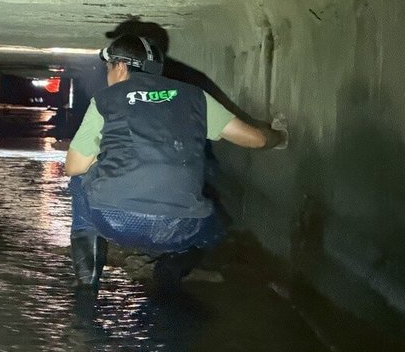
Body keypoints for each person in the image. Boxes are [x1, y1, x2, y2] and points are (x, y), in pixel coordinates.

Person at [65, 32, 287, 292]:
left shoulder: (105, 100)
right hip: (182, 229)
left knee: (80, 179)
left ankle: (86, 285)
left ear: (121, 66)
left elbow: (74, 167)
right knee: (216, 228)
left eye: (108, 68)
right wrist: (280, 135)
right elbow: (256, 140)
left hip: (115, 221)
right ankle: (169, 273)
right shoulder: (195, 97)